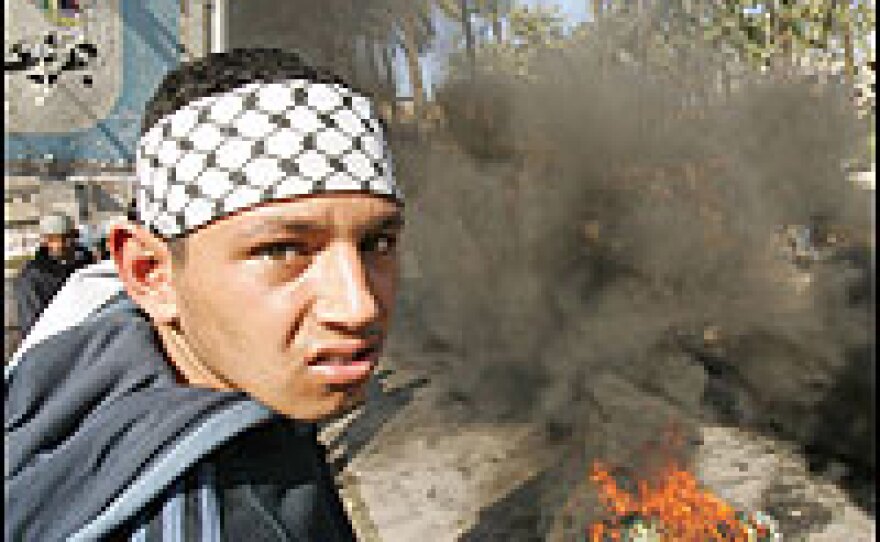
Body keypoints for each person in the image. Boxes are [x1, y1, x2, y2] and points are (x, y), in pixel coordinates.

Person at [6, 48, 404, 541]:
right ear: (151, 273)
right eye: (282, 250)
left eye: (378, 243)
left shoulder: (106, 367)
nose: (359, 304)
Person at [13, 211, 95, 337]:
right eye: (53, 239)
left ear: (75, 237)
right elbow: (33, 324)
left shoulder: (87, 267)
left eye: (65, 238)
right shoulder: (31, 277)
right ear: (45, 241)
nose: (60, 245)